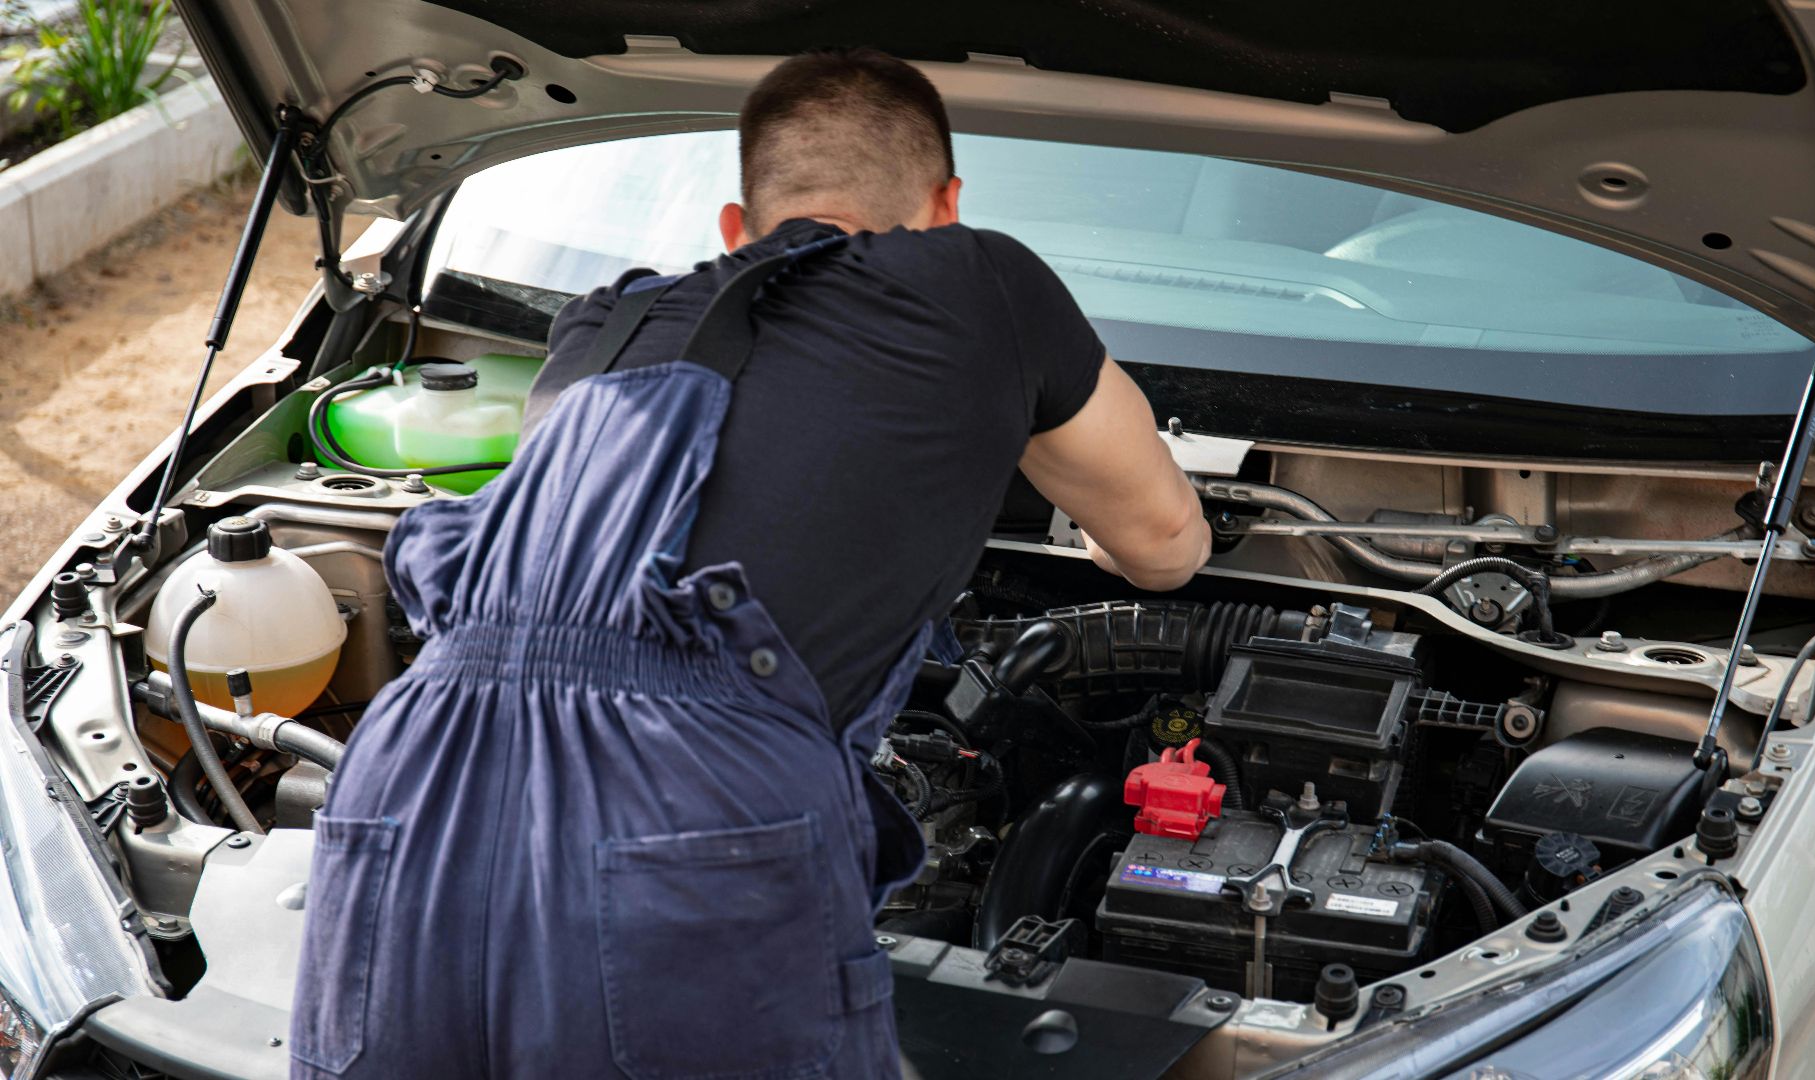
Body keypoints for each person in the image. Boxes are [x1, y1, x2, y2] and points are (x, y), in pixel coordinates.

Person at [290, 46, 1209, 1079]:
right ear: (946, 207)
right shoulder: (984, 280)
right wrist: (1089, 527)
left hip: (409, 779)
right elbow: (1167, 544)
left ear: (736, 229)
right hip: (685, 804)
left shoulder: (606, 319)